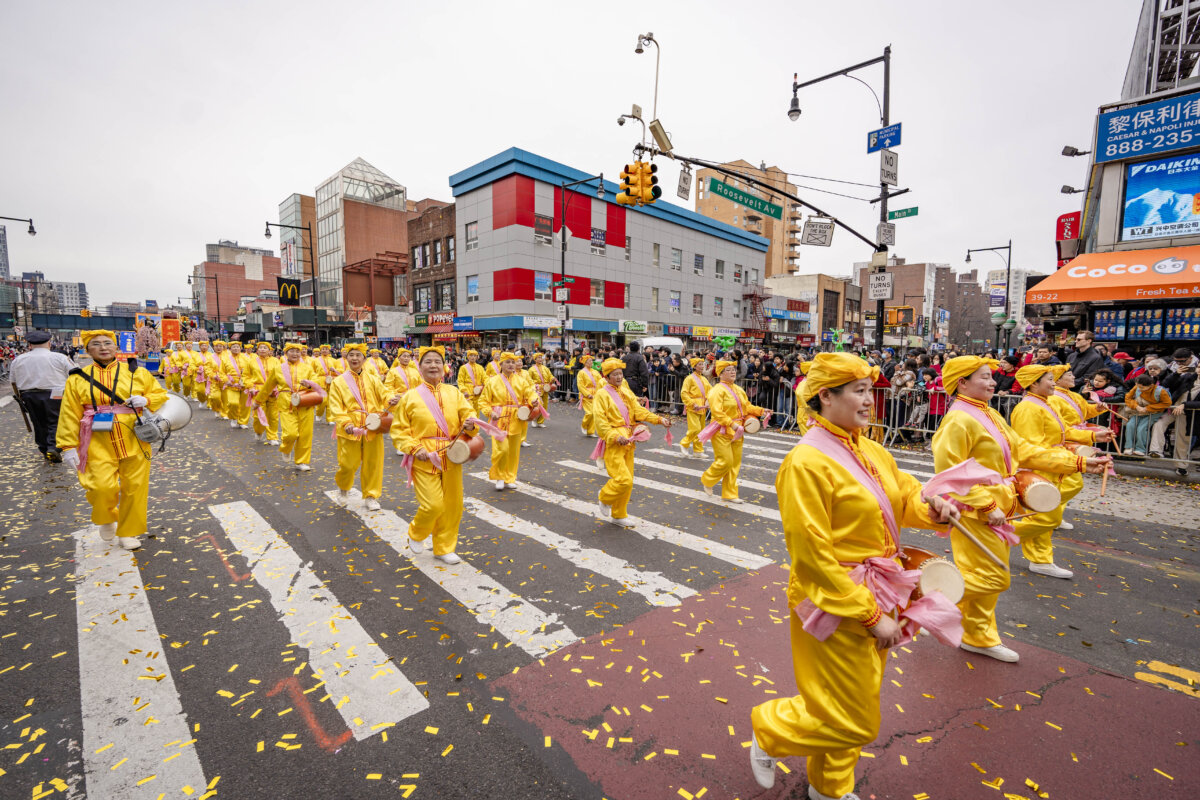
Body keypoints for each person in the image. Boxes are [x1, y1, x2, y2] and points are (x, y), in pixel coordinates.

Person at [749, 353, 961, 797]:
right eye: (860, 391)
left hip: (882, 588)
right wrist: (867, 614)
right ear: (825, 396)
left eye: (870, 390)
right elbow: (810, 554)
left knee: (856, 694)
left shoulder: (870, 446)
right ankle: (770, 728)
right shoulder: (805, 462)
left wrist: (933, 508)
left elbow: (902, 495)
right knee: (856, 718)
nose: (870, 400)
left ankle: (828, 786)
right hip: (836, 597)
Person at [933, 357, 1106, 662]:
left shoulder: (988, 413)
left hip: (1000, 505)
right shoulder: (959, 419)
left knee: (985, 575)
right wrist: (986, 505)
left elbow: (1023, 450)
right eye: (984, 378)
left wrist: (1080, 461)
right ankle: (927, 601)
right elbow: (950, 473)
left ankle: (976, 635)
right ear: (962, 383)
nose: (992, 383)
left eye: (991, 378)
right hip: (975, 513)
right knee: (995, 577)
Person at [56, 330, 169, 550]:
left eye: (108, 343)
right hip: (96, 440)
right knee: (100, 487)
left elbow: (160, 395)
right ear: (87, 350)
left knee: (135, 487)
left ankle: (128, 531)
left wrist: (145, 399)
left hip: (134, 437)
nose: (103, 347)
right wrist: (68, 446)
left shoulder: (137, 372)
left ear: (116, 347)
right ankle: (106, 517)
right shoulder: (77, 377)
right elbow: (69, 412)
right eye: (96, 344)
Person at [1010, 364, 1106, 578]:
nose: (1054, 383)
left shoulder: (1044, 403)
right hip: (1040, 468)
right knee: (1046, 518)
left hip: (1053, 464)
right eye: (1050, 379)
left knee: (1046, 516)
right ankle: (992, 536)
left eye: (1054, 379)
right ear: (1034, 383)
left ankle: (1039, 559)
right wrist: (1072, 461)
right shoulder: (1028, 408)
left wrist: (1093, 436)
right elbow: (1028, 449)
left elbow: (1065, 430)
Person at [393, 346, 481, 563]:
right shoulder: (410, 397)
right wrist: (415, 448)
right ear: (419, 367)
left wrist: (470, 423)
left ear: (444, 367)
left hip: (451, 455)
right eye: (428, 362)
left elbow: (469, 414)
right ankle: (417, 532)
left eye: (437, 361)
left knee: (453, 504)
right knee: (433, 504)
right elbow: (399, 430)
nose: (433, 365)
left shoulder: (454, 392)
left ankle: (443, 547)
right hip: (424, 457)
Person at [591, 357, 670, 527]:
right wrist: (613, 436)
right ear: (606, 377)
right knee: (623, 478)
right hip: (614, 441)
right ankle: (604, 497)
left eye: (621, 374)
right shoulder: (601, 394)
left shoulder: (626, 392)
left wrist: (659, 420)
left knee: (629, 480)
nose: (619, 377)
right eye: (615, 374)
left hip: (628, 439)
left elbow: (639, 412)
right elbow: (600, 421)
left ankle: (619, 514)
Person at [1049, 364, 1114, 528]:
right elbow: (1061, 427)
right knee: (1071, 483)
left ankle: (1052, 515)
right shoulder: (1054, 398)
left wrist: (1097, 408)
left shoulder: (1073, 395)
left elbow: (1084, 412)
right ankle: (1046, 512)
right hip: (1066, 443)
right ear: (1057, 380)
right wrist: (1092, 434)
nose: (1073, 377)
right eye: (1069, 374)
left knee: (1069, 482)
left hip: (1077, 441)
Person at [328, 343, 389, 510]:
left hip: (372, 426)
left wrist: (391, 400)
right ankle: (343, 488)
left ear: (364, 358)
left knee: (373, 463)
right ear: (346, 358)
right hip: (349, 427)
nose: (355, 358)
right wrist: (345, 422)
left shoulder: (373, 378)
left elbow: (385, 394)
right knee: (348, 464)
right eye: (351, 355)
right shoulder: (339, 382)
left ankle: (371, 495)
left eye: (358, 355)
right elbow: (335, 406)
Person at [699, 359, 768, 504]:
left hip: (738, 430)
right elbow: (717, 412)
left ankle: (730, 493)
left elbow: (746, 407)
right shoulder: (716, 390)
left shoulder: (738, 389)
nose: (732, 372)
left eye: (733, 369)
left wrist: (761, 411)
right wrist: (731, 424)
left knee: (735, 463)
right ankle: (708, 479)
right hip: (722, 430)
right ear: (721, 374)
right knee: (725, 461)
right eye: (728, 370)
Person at [255, 343, 322, 471]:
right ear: (286, 353)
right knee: (290, 434)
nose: (295, 354)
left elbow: (316, 382)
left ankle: (302, 461)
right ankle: (286, 448)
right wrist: (258, 401)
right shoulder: (279, 369)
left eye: (298, 351)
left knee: (305, 434)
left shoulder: (307, 368)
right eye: (292, 351)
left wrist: (309, 384)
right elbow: (267, 387)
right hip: (286, 403)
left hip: (305, 402)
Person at [10, 330, 75, 462]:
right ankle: (53, 447)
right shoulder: (59, 357)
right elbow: (74, 374)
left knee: (38, 422)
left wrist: (20, 397)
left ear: (29, 345)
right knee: (56, 420)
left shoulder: (18, 360)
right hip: (55, 393)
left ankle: (44, 448)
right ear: (49, 343)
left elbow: (13, 382)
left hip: (28, 395)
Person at [479, 352, 539, 489]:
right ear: (501, 364)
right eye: (508, 362)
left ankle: (510, 477)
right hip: (498, 418)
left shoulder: (521, 381)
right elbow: (483, 401)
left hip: (516, 417)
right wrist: (490, 412)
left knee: (513, 451)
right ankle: (499, 476)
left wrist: (534, 400)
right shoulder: (492, 381)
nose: (511, 364)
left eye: (513, 362)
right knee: (501, 450)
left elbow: (530, 393)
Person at [1123, 366, 1171, 455]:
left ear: (1151, 385)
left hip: (1154, 412)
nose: (1139, 389)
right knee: (1130, 425)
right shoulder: (1137, 387)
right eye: (1138, 386)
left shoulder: (1160, 391)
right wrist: (1136, 406)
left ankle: (1140, 449)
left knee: (1142, 428)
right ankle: (1129, 447)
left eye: (1142, 388)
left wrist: (1147, 408)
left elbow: (1167, 404)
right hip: (1138, 410)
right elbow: (1128, 397)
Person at [246, 342, 281, 446]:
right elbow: (246, 376)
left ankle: (272, 436)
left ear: (270, 350)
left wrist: (278, 388)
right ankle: (259, 430)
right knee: (258, 416)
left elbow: (281, 375)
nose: (262, 349)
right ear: (257, 350)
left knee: (273, 416)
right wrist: (250, 387)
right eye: (260, 348)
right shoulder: (251, 362)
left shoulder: (276, 361)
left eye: (265, 348)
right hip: (258, 390)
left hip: (272, 391)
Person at [678, 357, 712, 459]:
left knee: (701, 430)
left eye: (703, 364)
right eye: (700, 364)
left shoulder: (704, 379)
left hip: (703, 406)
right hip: (693, 407)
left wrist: (707, 400)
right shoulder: (689, 378)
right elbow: (684, 393)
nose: (702, 366)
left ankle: (698, 451)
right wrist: (692, 403)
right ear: (694, 366)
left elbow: (710, 392)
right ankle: (684, 443)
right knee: (695, 429)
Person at [527, 352, 557, 429]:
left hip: (545, 388)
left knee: (544, 406)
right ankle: (534, 420)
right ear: (535, 359)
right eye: (538, 358)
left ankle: (540, 422)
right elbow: (529, 380)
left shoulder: (545, 368)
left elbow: (550, 376)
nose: (540, 359)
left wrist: (552, 379)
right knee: (537, 405)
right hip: (537, 389)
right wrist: (535, 386)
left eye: (541, 357)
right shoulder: (531, 369)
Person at [576, 355, 602, 438]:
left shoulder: (595, 371)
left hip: (596, 394)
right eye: (589, 361)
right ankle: (584, 424)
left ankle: (590, 431)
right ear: (585, 363)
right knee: (590, 412)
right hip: (587, 395)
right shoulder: (581, 372)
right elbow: (580, 385)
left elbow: (601, 382)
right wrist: (587, 394)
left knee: (594, 413)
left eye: (591, 361)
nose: (591, 362)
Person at [456, 349, 487, 413]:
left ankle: (475, 423)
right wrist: (464, 390)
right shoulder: (463, 368)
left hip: (478, 392)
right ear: (468, 357)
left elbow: (485, 378)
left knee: (477, 412)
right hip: (468, 393)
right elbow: (460, 381)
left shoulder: (480, 367)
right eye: (471, 355)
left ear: (477, 357)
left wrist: (487, 386)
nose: (473, 357)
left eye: (474, 356)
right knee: (469, 412)